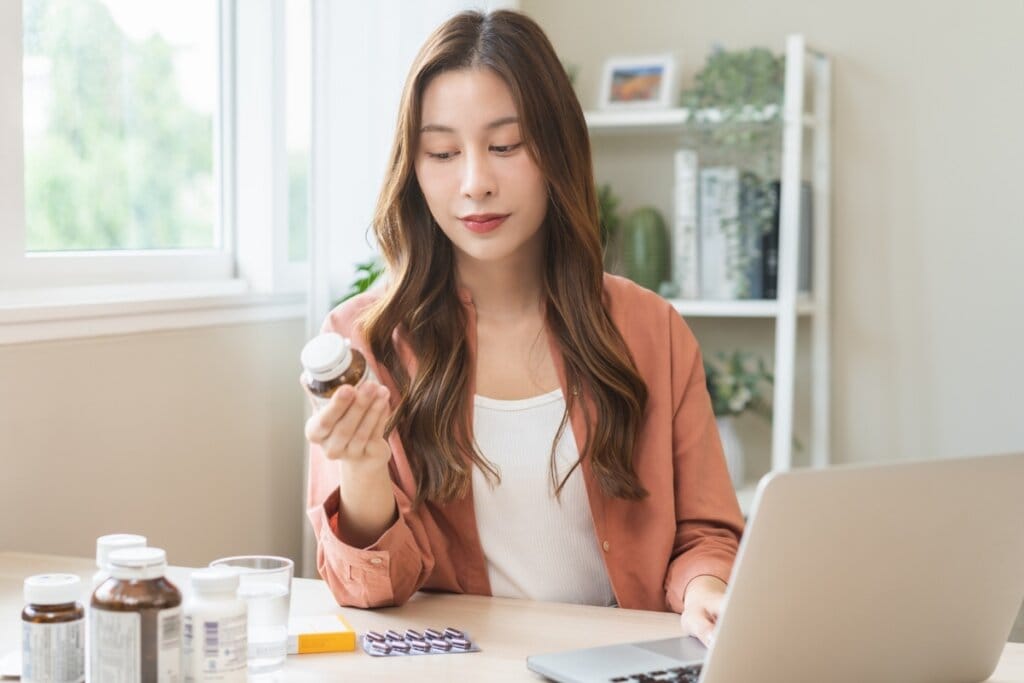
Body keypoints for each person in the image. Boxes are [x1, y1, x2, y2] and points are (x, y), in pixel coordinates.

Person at [303, 9, 743, 648]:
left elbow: (705, 535)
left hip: (621, 665)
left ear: (557, 150)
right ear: (415, 167)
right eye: (443, 153)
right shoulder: (362, 340)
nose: (475, 183)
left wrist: (705, 589)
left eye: (505, 146)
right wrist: (364, 470)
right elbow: (371, 590)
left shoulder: (653, 330)